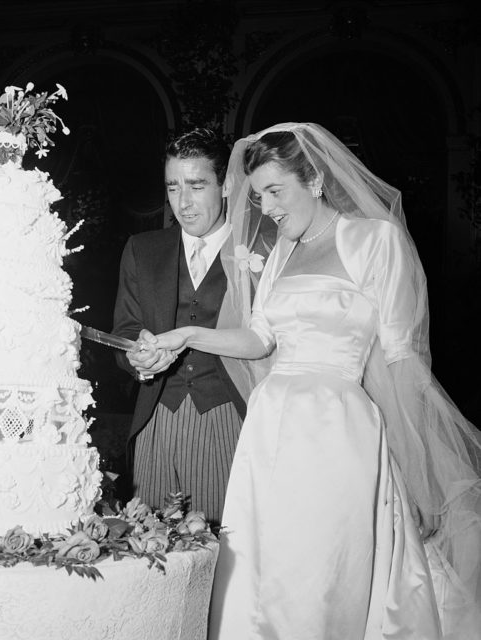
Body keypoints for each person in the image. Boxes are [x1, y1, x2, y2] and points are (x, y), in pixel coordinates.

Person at [152, 123, 481, 639]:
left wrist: (416, 471)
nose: (267, 208)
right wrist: (188, 334)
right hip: (269, 431)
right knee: (263, 573)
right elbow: (260, 338)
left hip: (338, 431)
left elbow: (401, 360)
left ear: (316, 181)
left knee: (323, 570)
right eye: (258, 196)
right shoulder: (281, 251)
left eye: (276, 192)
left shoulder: (376, 240)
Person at [112, 128, 256, 525]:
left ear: (226, 185)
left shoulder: (262, 252)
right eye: (173, 188)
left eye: (196, 186)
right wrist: (138, 357)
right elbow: (126, 329)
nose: (184, 203)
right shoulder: (143, 249)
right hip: (157, 417)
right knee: (152, 553)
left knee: (224, 552)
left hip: (231, 416)